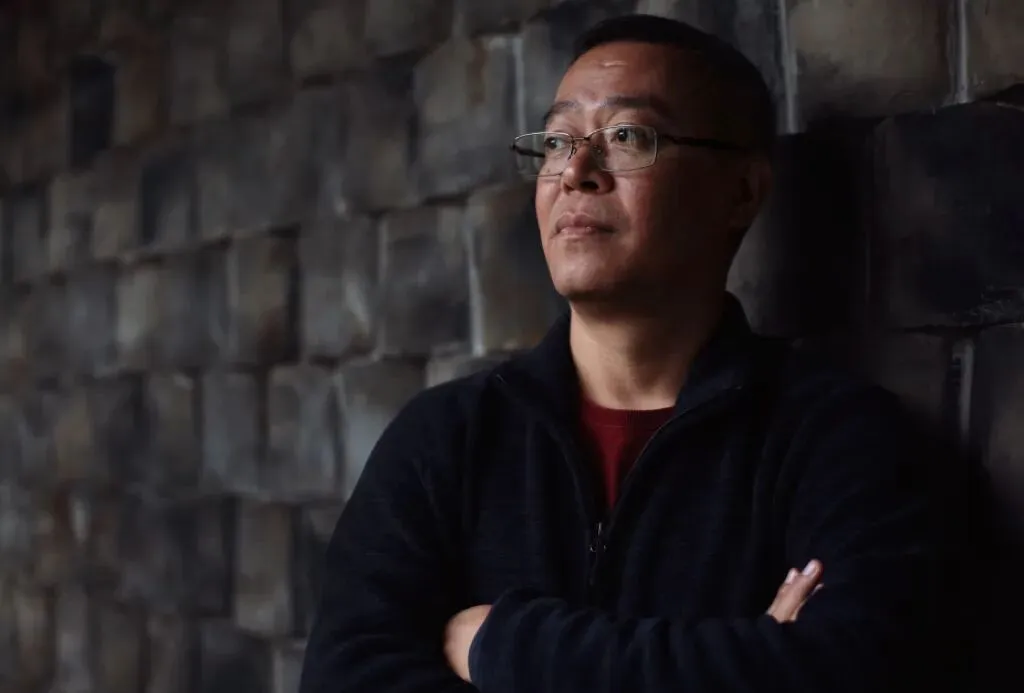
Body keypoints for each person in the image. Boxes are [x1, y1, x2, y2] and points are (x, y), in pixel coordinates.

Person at [299, 14, 966, 693]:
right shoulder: (447, 438)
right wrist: (743, 658)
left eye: (627, 136)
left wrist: (502, 645)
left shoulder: (837, 438)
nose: (576, 172)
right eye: (558, 142)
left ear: (741, 191)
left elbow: (846, 670)